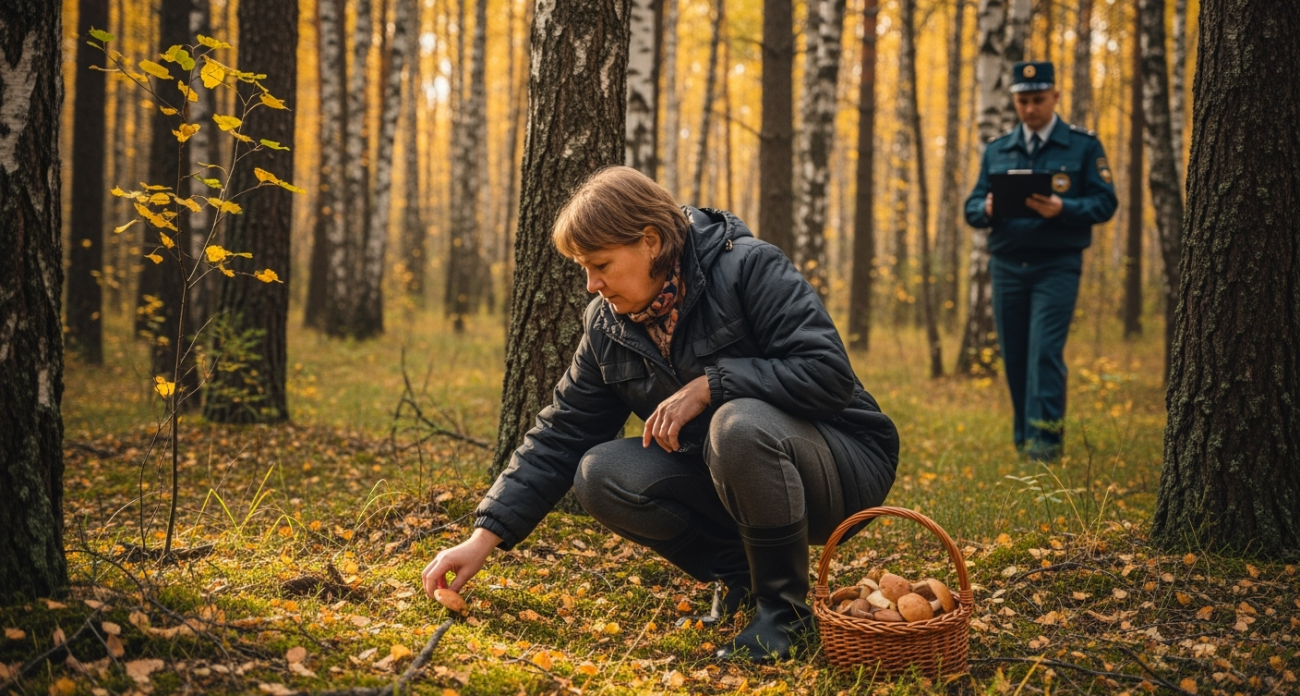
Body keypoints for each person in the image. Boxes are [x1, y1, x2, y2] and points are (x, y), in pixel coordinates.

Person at [422, 166, 899, 661]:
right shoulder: (608, 325)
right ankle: (745, 584)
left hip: (842, 465)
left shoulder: (750, 268)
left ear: (650, 241)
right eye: (584, 268)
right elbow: (562, 434)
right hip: (730, 473)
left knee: (736, 423)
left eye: (601, 264)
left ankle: (786, 617)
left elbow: (827, 375)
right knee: (600, 473)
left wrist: (712, 385)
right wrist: (481, 539)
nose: (592, 284)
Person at [964, 60, 1118, 461]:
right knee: (1014, 355)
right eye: (1023, 100)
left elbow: (1105, 202)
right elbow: (972, 206)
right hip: (1008, 265)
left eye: (1037, 99)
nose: (1030, 108)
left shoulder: (1083, 146)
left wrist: (1064, 208)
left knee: (1045, 352)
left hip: (1057, 265)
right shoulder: (998, 149)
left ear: (1055, 97)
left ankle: (1045, 448)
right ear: (1015, 101)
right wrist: (989, 207)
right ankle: (1024, 443)